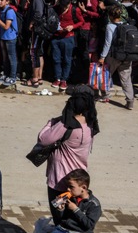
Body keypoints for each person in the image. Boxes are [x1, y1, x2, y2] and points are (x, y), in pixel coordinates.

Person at [38, 85, 99, 224]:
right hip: (78, 183)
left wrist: (52, 123)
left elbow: (43, 139)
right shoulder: (91, 124)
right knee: (74, 219)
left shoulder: (66, 124)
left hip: (60, 182)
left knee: (61, 220)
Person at [44, 169, 102, 233]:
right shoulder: (70, 198)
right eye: (68, 186)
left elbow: (89, 225)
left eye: (71, 187)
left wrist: (75, 210)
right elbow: (61, 218)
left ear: (83, 188)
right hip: (63, 230)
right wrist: (60, 209)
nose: (68, 189)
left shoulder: (94, 204)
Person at [99, 6, 134, 108]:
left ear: (110, 16)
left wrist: (102, 56)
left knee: (106, 75)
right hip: (127, 56)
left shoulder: (110, 26)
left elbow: (107, 43)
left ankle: (105, 96)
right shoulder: (126, 25)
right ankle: (130, 102)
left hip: (114, 56)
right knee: (126, 79)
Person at [51, 0, 84, 91]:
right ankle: (57, 78)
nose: (63, 8)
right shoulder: (57, 8)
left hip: (68, 37)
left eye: (65, 6)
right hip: (56, 37)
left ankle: (64, 79)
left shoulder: (75, 10)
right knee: (56, 58)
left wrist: (72, 26)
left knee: (67, 59)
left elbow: (81, 22)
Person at [0, 0, 18, 86]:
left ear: (7, 2)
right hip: (3, 37)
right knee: (5, 58)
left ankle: (13, 76)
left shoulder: (9, 11)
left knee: (12, 57)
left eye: (2, 0)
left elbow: (6, 26)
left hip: (10, 38)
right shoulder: (2, 10)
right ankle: (6, 74)